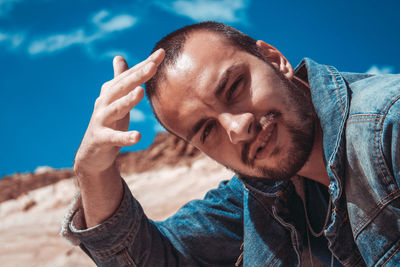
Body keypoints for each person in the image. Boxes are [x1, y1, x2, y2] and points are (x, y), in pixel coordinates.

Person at [60, 21, 400, 266]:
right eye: (207, 130)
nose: (237, 128)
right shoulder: (259, 195)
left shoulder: (390, 129)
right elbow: (154, 257)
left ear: (274, 59)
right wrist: (94, 171)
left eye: (234, 88)